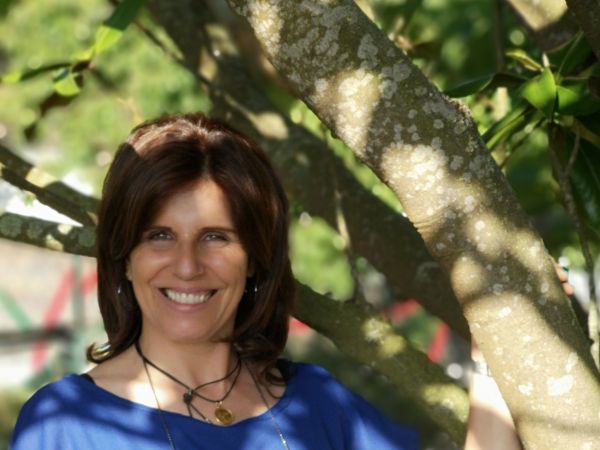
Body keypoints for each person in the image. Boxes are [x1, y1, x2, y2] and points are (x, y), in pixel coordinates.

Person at [10, 113, 419, 449]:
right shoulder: (63, 424)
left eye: (215, 237)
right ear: (125, 259)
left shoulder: (318, 402)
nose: (188, 266)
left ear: (255, 258)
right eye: (160, 236)